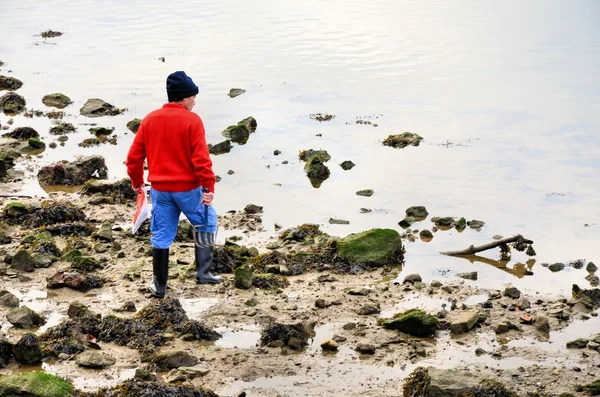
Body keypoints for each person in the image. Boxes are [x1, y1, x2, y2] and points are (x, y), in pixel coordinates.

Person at [126, 71, 222, 299]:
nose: (194, 102)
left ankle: (159, 285)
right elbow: (201, 160)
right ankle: (204, 273)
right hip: (188, 190)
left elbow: (134, 158)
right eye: (192, 97)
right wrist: (208, 189)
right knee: (208, 221)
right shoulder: (192, 120)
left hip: (161, 190)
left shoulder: (150, 119)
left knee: (161, 234)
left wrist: (137, 183)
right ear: (183, 98)